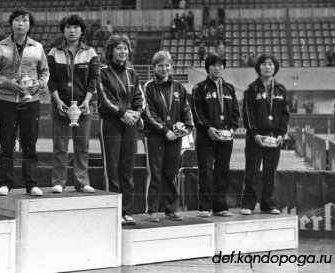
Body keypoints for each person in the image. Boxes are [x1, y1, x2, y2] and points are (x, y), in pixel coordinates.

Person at [0, 7, 49, 197]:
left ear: (30, 25)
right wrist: (9, 83)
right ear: (11, 23)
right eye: (17, 20)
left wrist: (39, 84)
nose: (21, 24)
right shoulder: (0, 47)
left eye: (25, 20)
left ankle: (31, 183)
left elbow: (44, 72)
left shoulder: (37, 47)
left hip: (31, 101)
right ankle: (5, 182)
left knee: (30, 142)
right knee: (6, 142)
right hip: (6, 100)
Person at [47, 15, 100, 194]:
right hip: (60, 105)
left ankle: (82, 181)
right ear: (63, 30)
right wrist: (58, 100)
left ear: (82, 31)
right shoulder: (54, 52)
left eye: (76, 27)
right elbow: (50, 79)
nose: (72, 31)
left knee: (82, 146)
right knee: (60, 146)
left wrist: (86, 100)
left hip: (84, 106)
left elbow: (94, 79)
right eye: (68, 27)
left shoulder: (90, 53)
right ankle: (58, 182)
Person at [97, 34, 144, 225]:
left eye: (125, 48)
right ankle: (113, 210)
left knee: (127, 168)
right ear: (111, 51)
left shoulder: (133, 73)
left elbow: (139, 99)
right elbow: (106, 99)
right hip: (111, 122)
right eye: (119, 48)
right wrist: (123, 113)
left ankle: (126, 210)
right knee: (112, 168)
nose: (123, 52)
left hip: (130, 123)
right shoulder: (103, 72)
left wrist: (136, 114)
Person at [142, 51, 193, 222]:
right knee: (155, 173)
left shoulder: (178, 87)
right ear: (154, 67)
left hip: (175, 137)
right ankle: (152, 210)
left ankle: (171, 209)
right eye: (160, 66)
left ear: (171, 66)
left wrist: (187, 128)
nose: (164, 69)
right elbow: (148, 113)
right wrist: (166, 131)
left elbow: (186, 110)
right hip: (155, 136)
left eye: (167, 65)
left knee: (171, 173)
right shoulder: (148, 86)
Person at [240, 53, 290, 215]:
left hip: (274, 137)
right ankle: (248, 204)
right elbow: (248, 114)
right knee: (252, 171)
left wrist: (282, 134)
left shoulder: (281, 89)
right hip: (256, 136)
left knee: (270, 171)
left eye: (270, 64)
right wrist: (254, 134)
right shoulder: (251, 89)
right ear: (258, 67)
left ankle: (267, 203)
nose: (267, 67)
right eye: (263, 64)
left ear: (275, 67)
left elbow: (285, 114)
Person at [192, 53, 240, 218]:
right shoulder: (199, 88)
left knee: (222, 171)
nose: (217, 68)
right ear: (208, 68)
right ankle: (204, 207)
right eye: (213, 65)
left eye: (220, 65)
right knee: (206, 171)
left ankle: (220, 207)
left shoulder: (229, 88)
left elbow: (235, 112)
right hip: (207, 137)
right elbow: (197, 113)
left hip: (225, 137)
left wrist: (232, 129)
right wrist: (208, 128)